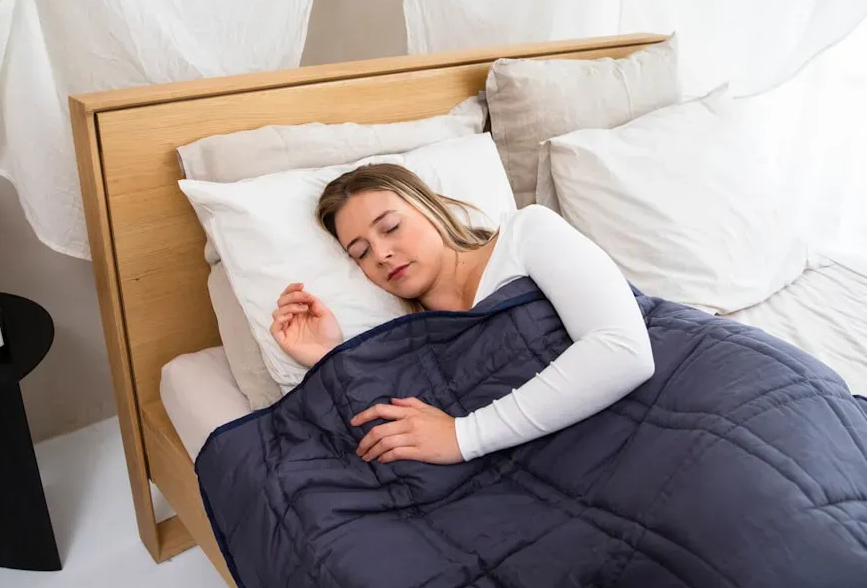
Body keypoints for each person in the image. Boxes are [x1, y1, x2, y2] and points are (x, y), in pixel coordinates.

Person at [270, 163, 654, 465]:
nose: (381, 253)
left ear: (430, 207)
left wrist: (464, 436)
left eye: (390, 227)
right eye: (361, 253)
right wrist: (328, 357)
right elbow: (394, 443)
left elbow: (623, 351)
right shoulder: (411, 342)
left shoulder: (526, 234)